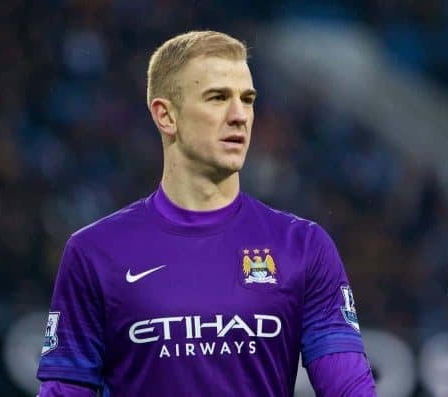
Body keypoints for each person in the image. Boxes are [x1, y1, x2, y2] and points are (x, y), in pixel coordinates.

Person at [36, 30, 376, 396]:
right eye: (217, 98)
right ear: (166, 116)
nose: (239, 116)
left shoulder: (303, 246)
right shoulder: (95, 252)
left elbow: (350, 390)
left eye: (247, 100)